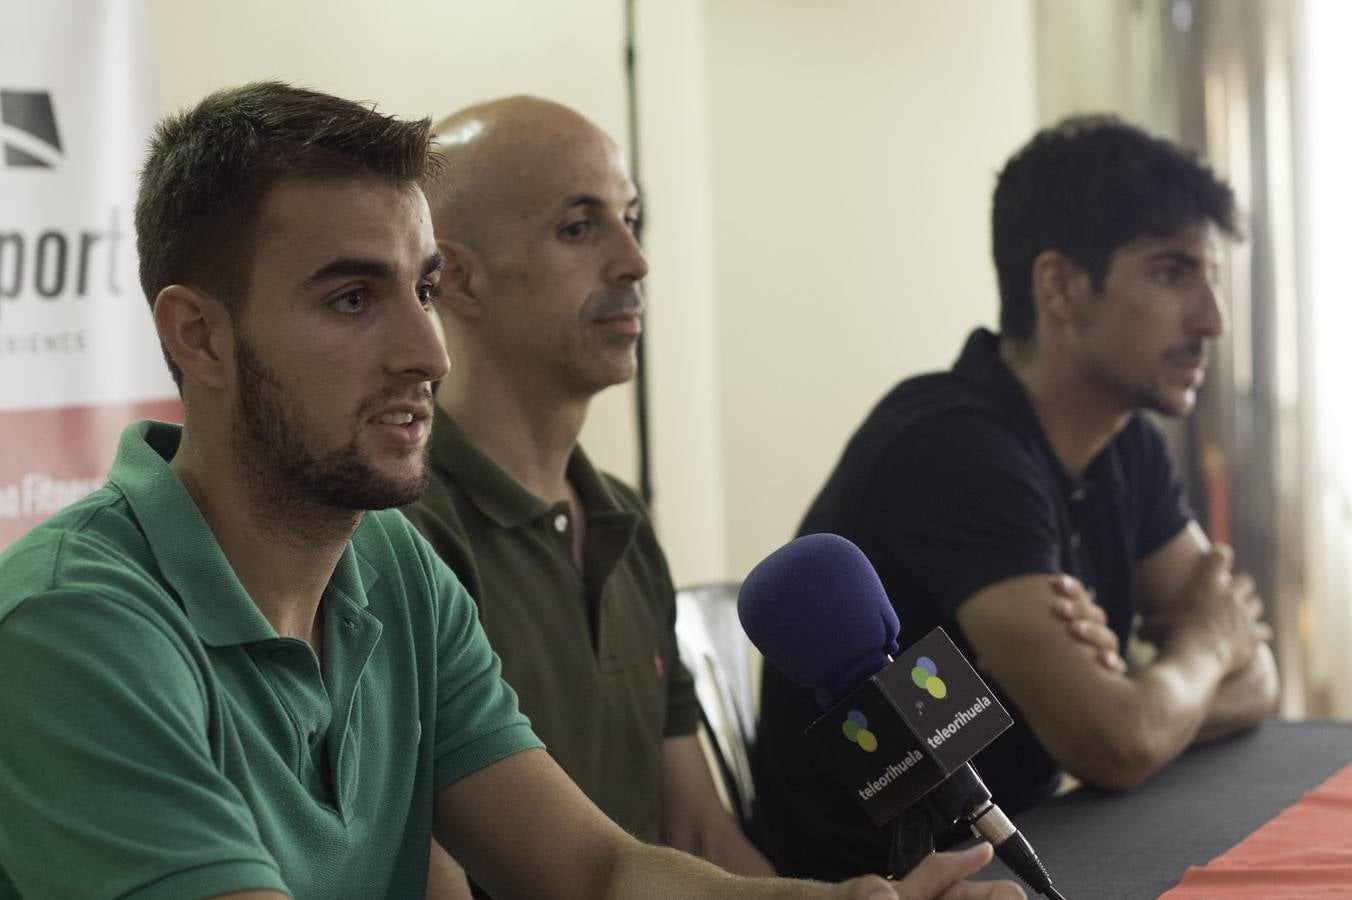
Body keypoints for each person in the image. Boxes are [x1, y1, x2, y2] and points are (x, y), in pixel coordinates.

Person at [0, 81, 1026, 900]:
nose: (423, 353)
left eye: (425, 292)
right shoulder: (73, 621)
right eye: (352, 298)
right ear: (197, 335)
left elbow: (596, 868)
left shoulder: (387, 559)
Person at [754, 114, 1280, 881]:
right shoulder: (953, 448)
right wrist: (1201, 649)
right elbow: (1120, 743)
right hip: (877, 886)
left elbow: (1257, 676)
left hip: (1030, 848)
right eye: (1172, 274)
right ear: (1060, 287)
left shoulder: (1124, 438)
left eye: (1212, 279)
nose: (1214, 321)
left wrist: (1144, 695)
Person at [399, 96, 774, 891]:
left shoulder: (623, 516)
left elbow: (698, 831)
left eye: (632, 219)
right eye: (580, 228)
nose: (634, 262)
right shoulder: (406, 532)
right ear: (456, 276)